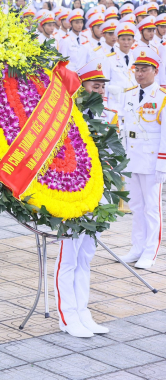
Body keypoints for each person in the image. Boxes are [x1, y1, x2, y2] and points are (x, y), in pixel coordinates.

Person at [53, 59, 113, 339]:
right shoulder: (67, 114)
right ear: (80, 86)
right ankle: (67, 315)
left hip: (96, 195)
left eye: (102, 85)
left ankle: (83, 311)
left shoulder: (105, 116)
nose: (99, 89)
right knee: (68, 256)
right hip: (71, 193)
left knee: (86, 255)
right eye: (93, 84)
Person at [118, 49, 166, 269]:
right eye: (137, 69)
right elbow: (122, 127)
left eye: (144, 70)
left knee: (151, 208)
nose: (139, 74)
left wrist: (162, 164)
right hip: (131, 159)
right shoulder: (128, 94)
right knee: (136, 206)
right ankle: (137, 247)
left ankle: (150, 252)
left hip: (151, 160)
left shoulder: (162, 98)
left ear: (155, 71)